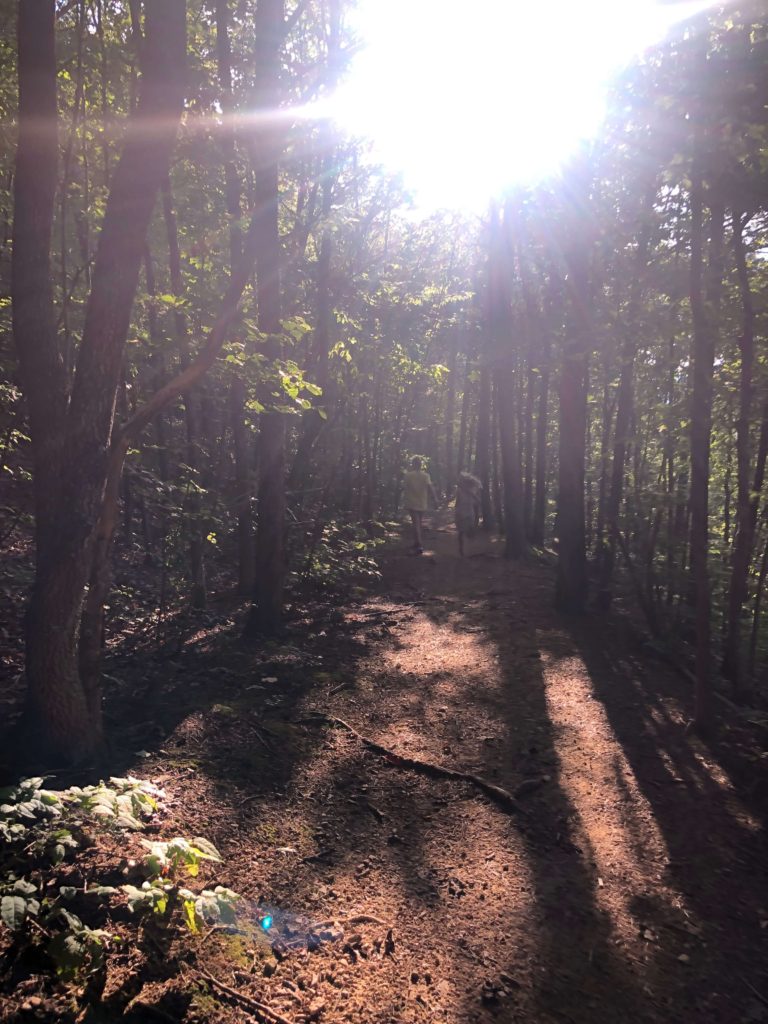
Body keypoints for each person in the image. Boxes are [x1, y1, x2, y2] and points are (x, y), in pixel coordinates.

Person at [402, 455, 438, 554]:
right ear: (421, 465)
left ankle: (419, 544)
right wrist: (435, 499)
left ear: (413, 464)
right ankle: (417, 542)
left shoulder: (408, 475)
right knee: (418, 523)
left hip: (412, 502)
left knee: (416, 524)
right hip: (422, 502)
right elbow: (430, 488)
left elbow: (405, 488)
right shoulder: (426, 476)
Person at [454, 471, 481, 557]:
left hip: (466, 512)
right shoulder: (462, 491)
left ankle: (464, 548)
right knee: (462, 532)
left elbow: (477, 501)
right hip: (463, 513)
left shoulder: (472, 491)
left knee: (465, 531)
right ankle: (461, 549)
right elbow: (477, 501)